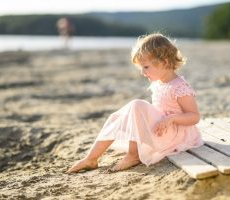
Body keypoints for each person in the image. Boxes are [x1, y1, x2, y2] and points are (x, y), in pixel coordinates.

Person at [66, 33, 203, 173]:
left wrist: (172, 118)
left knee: (136, 105)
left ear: (165, 62)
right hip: (162, 128)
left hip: (177, 134)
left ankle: (133, 155)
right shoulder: (159, 83)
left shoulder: (179, 87)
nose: (143, 72)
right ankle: (91, 158)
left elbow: (194, 116)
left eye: (146, 67)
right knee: (116, 116)